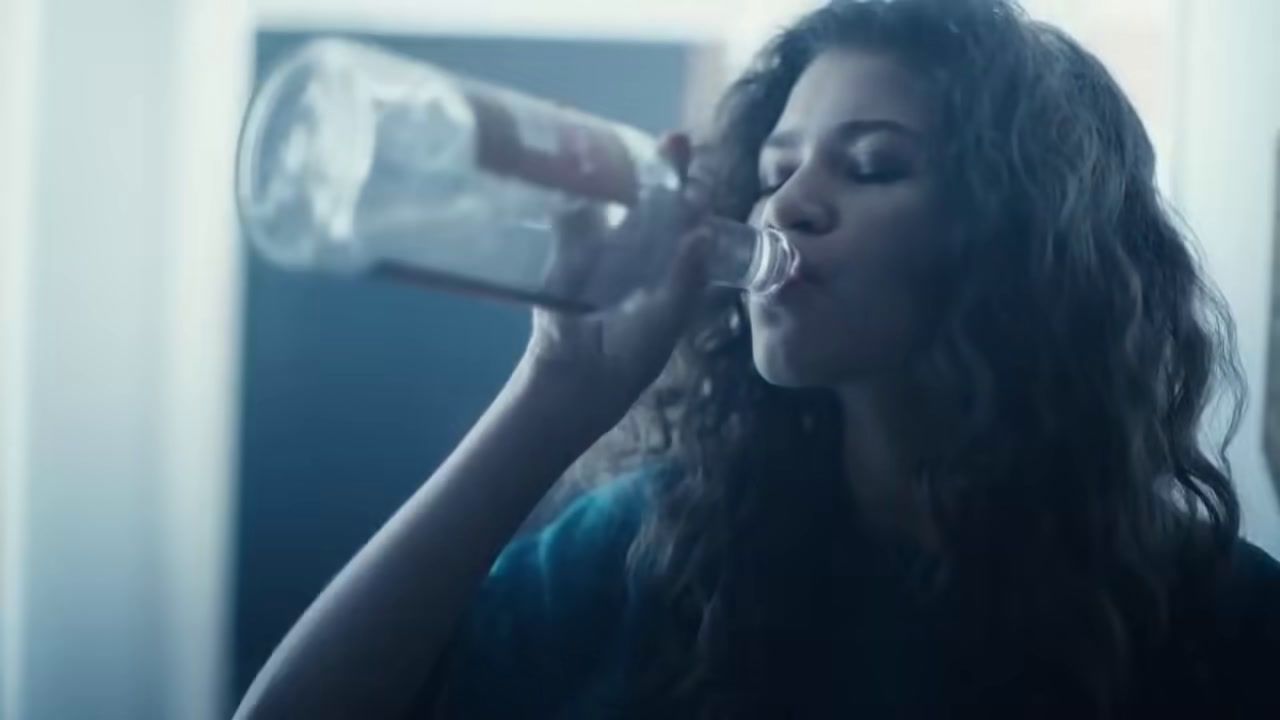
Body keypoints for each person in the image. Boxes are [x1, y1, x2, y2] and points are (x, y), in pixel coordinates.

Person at [233, 0, 1280, 717]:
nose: (785, 205)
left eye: (870, 166)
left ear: (1022, 240)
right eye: (775, 169)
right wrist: (551, 397)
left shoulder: (1210, 616)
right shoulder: (650, 557)